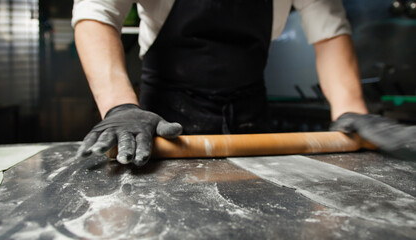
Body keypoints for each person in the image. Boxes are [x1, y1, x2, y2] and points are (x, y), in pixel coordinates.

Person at [72, 0, 415, 166]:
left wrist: (351, 109)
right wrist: (120, 105)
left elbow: (329, 31)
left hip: (252, 122)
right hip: (162, 129)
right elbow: (96, 13)